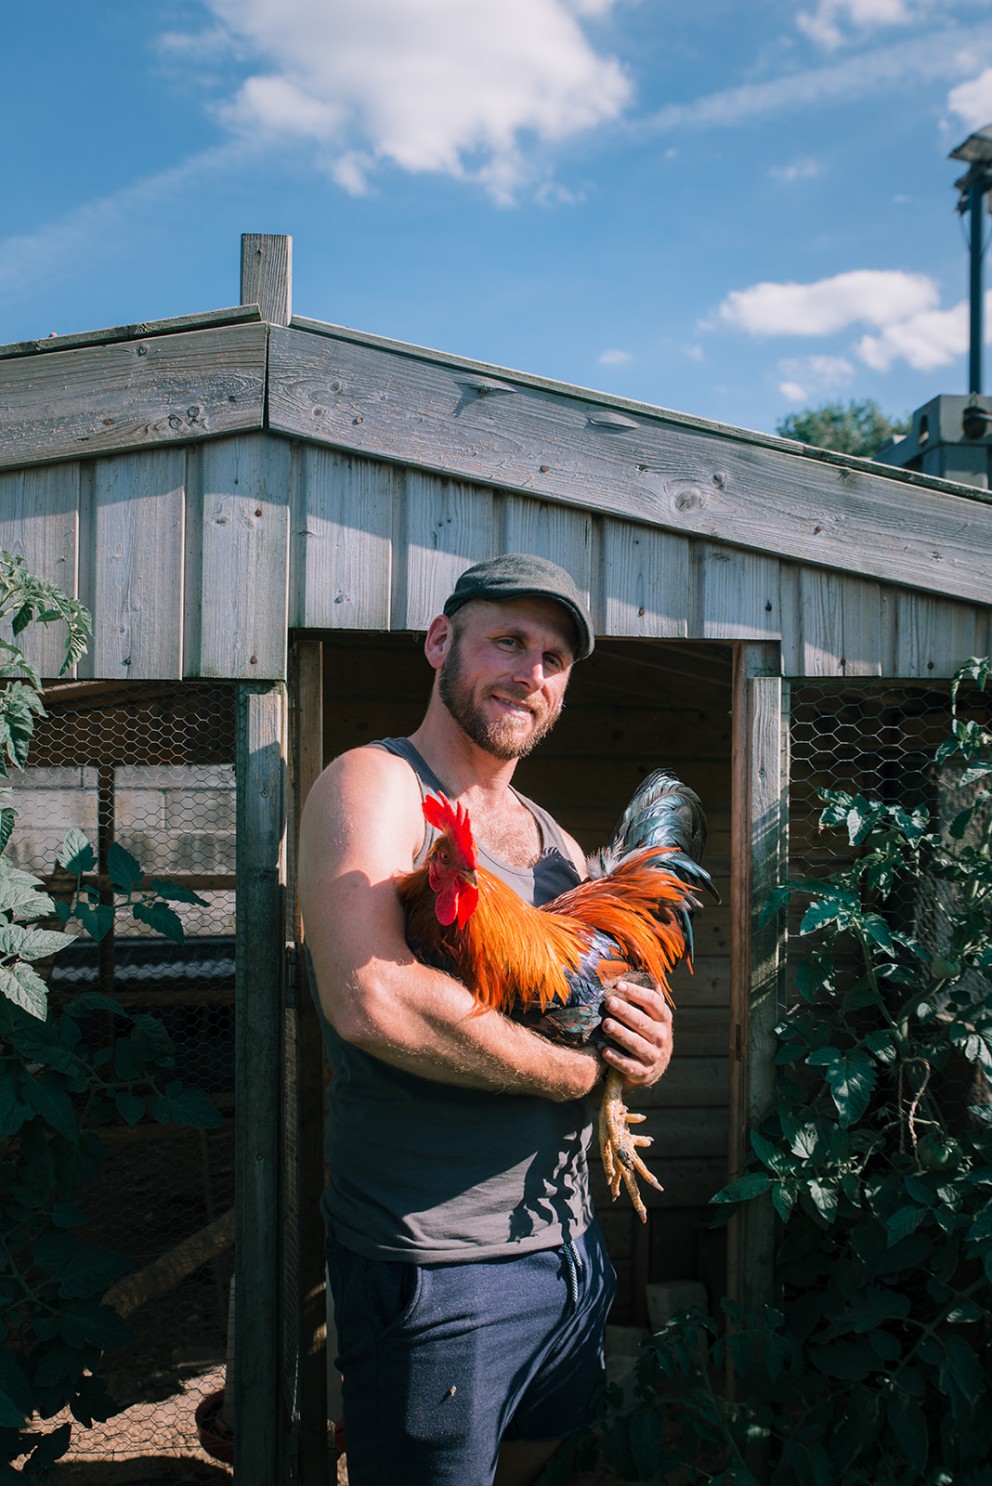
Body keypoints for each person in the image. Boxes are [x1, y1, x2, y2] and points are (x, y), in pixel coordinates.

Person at [299, 554, 674, 1486]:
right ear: (440, 643)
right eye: (508, 639)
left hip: (569, 1245)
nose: (531, 671)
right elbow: (374, 998)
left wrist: (643, 1049)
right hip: (439, 1262)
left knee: (534, 1460)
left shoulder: (555, 840)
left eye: (553, 658)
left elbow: (612, 1003)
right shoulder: (377, 783)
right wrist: (586, 1078)